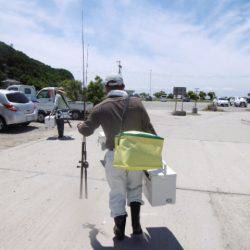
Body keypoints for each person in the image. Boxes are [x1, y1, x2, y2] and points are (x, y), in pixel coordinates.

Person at [77, 74, 156, 241]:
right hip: (135, 154)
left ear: (106, 88)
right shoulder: (137, 103)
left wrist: (79, 125)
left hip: (115, 154)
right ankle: (136, 227)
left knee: (117, 192)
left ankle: (119, 230)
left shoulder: (100, 107)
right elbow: (150, 131)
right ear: (123, 86)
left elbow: (86, 131)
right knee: (135, 189)